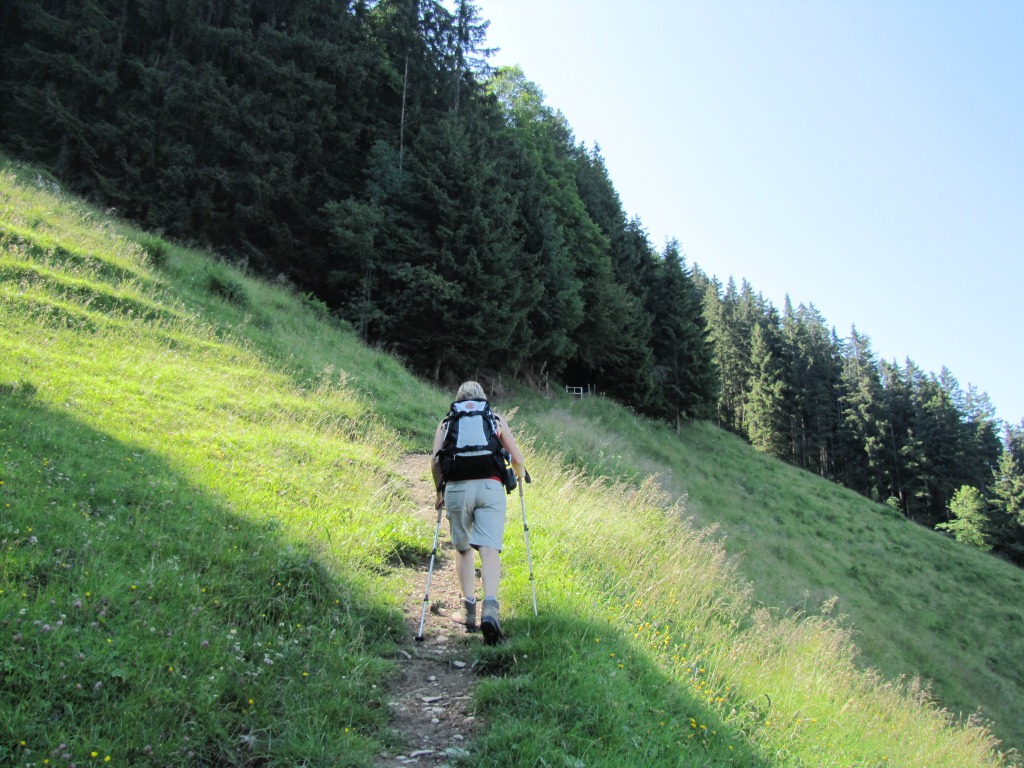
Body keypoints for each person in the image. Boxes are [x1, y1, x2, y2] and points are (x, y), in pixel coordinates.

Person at [431, 381, 525, 645]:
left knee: (463, 549)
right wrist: (520, 476)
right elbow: (517, 459)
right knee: (489, 549)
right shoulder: (495, 418)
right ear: (483, 398)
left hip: (457, 489)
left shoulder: (447, 422)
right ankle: (491, 610)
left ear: (458, 399)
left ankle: (467, 611)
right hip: (490, 487)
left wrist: (439, 492)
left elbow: (436, 462)